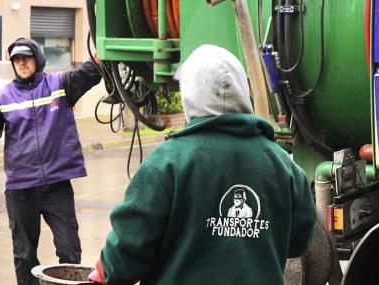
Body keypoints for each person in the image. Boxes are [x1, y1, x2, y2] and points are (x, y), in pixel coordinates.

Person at [88, 44, 316, 285]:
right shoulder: (284, 167)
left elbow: (127, 253)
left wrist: (107, 270)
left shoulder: (166, 164)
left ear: (190, 96)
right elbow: (298, 241)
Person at [0, 37, 102, 285]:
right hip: (20, 189)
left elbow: (91, 72)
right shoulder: (2, 98)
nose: (21, 63)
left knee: (70, 250)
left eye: (26, 58)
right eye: (16, 60)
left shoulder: (59, 85)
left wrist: (104, 48)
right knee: (24, 255)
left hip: (56, 185)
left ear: (37, 59)